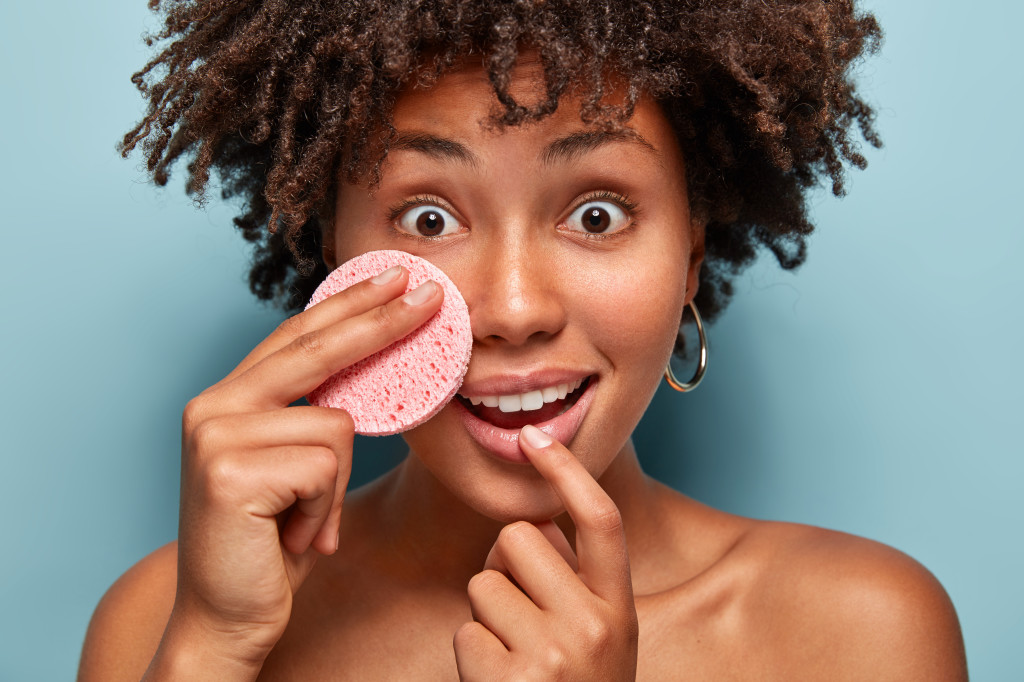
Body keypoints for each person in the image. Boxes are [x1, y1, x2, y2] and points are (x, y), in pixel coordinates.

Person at [79, 0, 968, 679]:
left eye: (596, 213)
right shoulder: (165, 624)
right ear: (332, 254)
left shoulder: (860, 633)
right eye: (428, 219)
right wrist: (209, 649)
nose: (510, 307)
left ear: (690, 256)